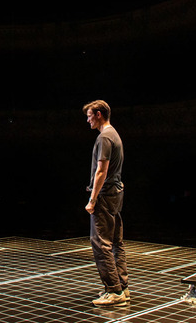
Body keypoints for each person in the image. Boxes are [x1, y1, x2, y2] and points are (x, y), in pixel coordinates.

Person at [83, 100, 129, 307]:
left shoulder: (104, 137)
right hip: (115, 194)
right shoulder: (115, 134)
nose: (88, 120)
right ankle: (122, 287)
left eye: (90, 115)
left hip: (104, 195)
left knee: (101, 243)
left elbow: (101, 171)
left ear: (99, 114)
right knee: (116, 242)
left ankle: (114, 290)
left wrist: (92, 200)